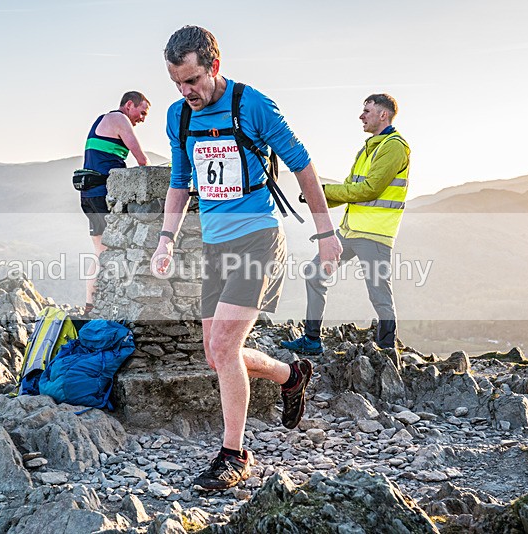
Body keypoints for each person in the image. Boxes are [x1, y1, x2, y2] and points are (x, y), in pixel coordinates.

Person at [150, 25, 343, 491]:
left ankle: (234, 456)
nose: (186, 91)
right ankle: (290, 375)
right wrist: (166, 239)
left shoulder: (252, 104)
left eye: (192, 80)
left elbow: (302, 164)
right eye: (177, 82)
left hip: (257, 240)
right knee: (216, 355)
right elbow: (181, 180)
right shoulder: (178, 116)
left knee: (223, 349)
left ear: (214, 65)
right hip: (215, 245)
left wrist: (325, 233)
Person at [281, 94, 410, 355]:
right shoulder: (368, 149)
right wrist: (318, 198)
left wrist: (323, 191)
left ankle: (386, 350)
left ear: (383, 115)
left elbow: (369, 190)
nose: (361, 116)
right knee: (314, 273)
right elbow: (352, 189)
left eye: (367, 111)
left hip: (375, 235)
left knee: (379, 296)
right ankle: (312, 340)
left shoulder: (394, 147)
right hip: (350, 232)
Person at [79, 91, 150, 313]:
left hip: (88, 194)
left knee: (100, 251)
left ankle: (90, 306)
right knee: (111, 250)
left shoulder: (103, 119)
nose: (143, 118)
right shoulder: (119, 119)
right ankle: (108, 304)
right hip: (102, 194)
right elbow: (141, 159)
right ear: (129, 105)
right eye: (142, 112)